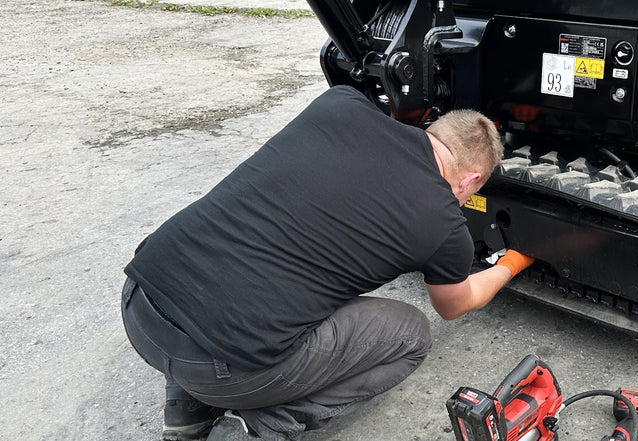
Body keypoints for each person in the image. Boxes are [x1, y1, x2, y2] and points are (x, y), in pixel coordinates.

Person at [120, 85, 535, 441]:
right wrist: (514, 262)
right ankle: (259, 425)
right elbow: (454, 304)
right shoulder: (443, 221)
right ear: (470, 182)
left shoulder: (341, 104)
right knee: (411, 334)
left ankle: (186, 410)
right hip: (223, 369)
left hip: (141, 300)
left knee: (242, 258)